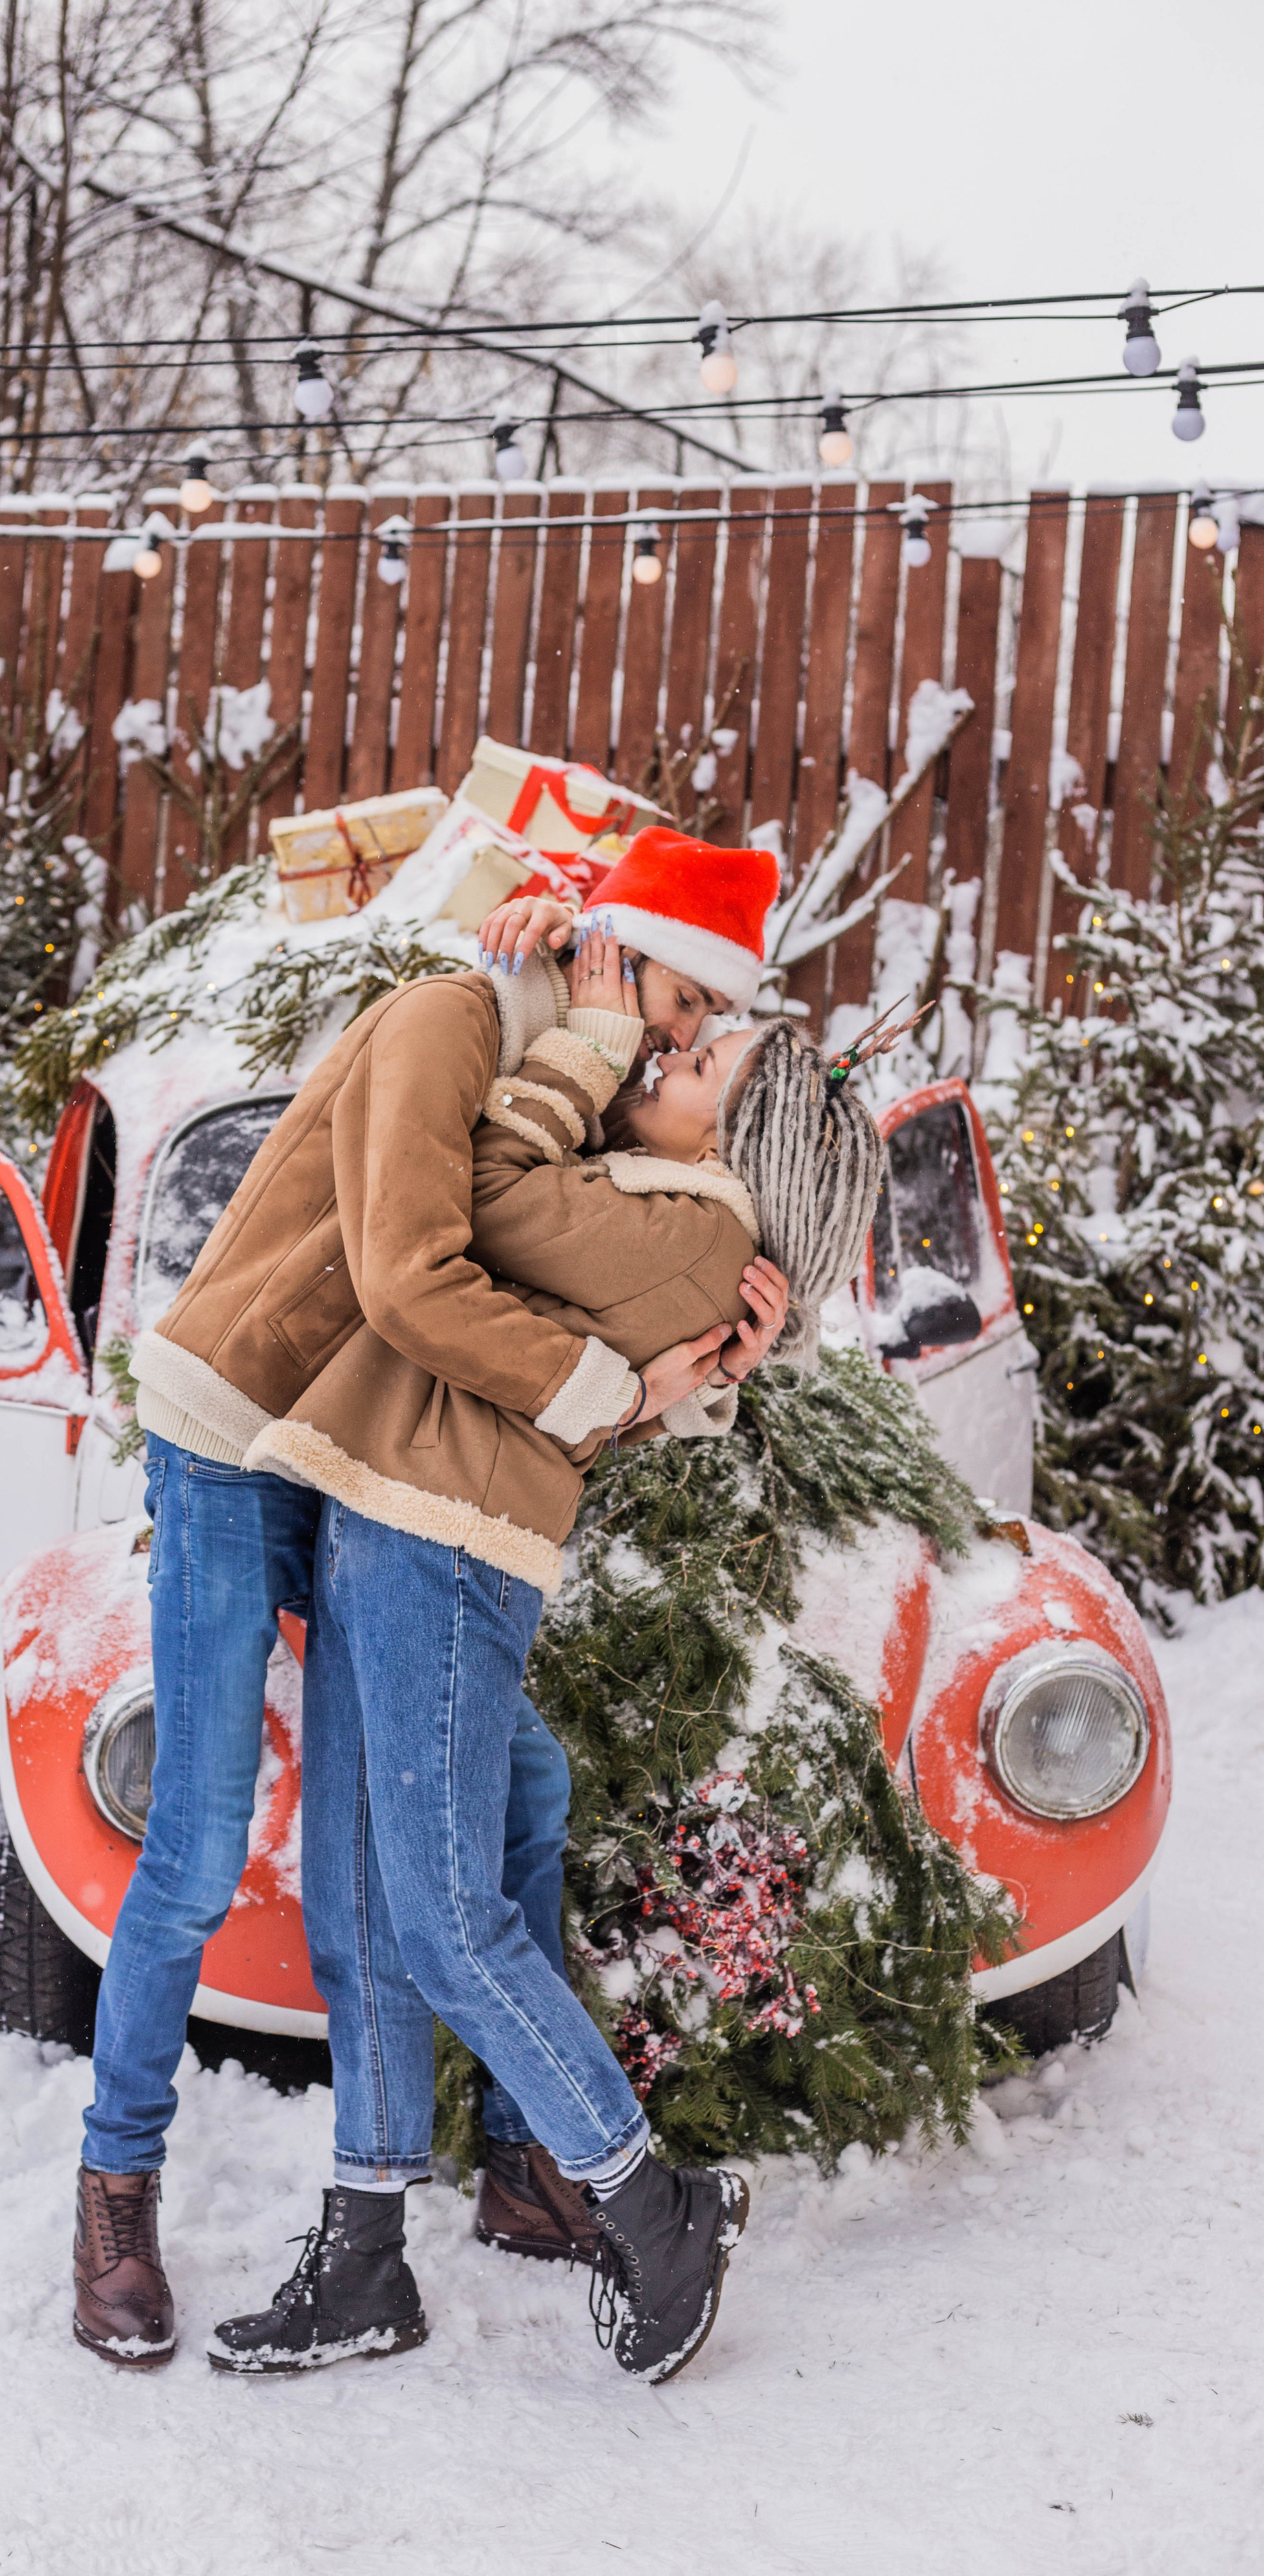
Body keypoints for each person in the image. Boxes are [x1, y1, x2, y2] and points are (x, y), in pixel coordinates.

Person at [70, 831, 790, 2368]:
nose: (673, 1043)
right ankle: (114, 2186)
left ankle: (441, 2203)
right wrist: (616, 1386)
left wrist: (713, 1360)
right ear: (610, 960)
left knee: (443, 1832)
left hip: (358, 1463)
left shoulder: (582, 1098)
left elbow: (601, 1268)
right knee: (194, 1846)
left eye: (690, 1032)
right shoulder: (449, 1022)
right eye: (670, 1007)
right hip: (231, 1431)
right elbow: (413, 1279)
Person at [210, 986, 890, 2383]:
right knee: (356, 1902)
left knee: (446, 1916)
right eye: (688, 1037)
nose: (668, 1053)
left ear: (737, 1144)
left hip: (442, 1550)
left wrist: (569, 1033)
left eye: (702, 1065)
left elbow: (469, 1192)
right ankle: (362, 2255)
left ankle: (653, 2204)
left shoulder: (691, 1230)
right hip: (384, 1518)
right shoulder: (655, 1207)